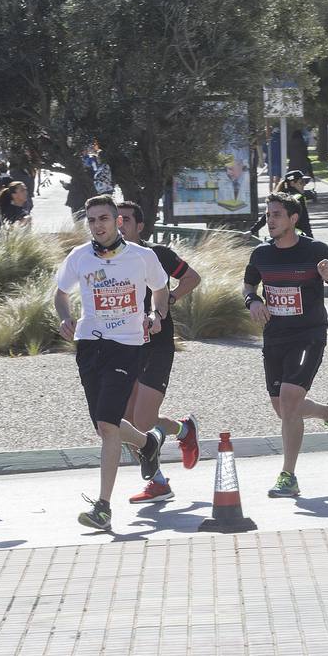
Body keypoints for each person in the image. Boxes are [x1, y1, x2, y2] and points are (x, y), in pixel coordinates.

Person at [54, 196, 169, 532]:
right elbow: (60, 294)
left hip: (128, 345)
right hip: (89, 344)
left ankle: (103, 507)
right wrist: (65, 318)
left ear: (118, 221)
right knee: (106, 424)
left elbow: (160, 289)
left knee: (107, 425)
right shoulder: (79, 257)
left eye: (103, 218)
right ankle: (148, 443)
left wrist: (155, 313)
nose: (97, 225)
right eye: (91, 220)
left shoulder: (142, 257)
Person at [243, 192, 328, 498]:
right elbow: (249, 283)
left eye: (277, 214)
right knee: (282, 408)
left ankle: (288, 476)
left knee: (290, 401)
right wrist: (252, 300)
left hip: (308, 335)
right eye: (268, 214)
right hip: (274, 335)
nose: (270, 220)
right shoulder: (261, 254)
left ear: (293, 219)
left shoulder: (315, 249)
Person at [116, 201, 202, 504]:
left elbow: (192, 277)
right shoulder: (106, 260)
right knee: (123, 422)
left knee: (142, 420)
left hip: (157, 346)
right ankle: (158, 481)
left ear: (140, 226)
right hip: (123, 346)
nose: (119, 224)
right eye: (116, 219)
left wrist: (170, 299)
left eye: (125, 219)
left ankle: (183, 430)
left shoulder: (158, 256)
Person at [250, 170, 317, 238]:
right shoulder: (298, 197)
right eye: (301, 182)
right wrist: (311, 239)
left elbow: (265, 217)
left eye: (305, 182)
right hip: (295, 238)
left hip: (279, 236)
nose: (304, 184)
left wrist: (251, 231)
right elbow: (305, 222)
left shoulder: (279, 197)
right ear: (292, 183)